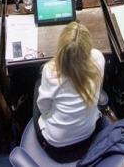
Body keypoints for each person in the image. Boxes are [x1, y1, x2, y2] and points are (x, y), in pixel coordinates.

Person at [34, 22, 104, 154]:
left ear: (61, 49)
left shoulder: (50, 71)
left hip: (55, 143)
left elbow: (43, 108)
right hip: (88, 135)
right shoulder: (99, 59)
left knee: (38, 86)